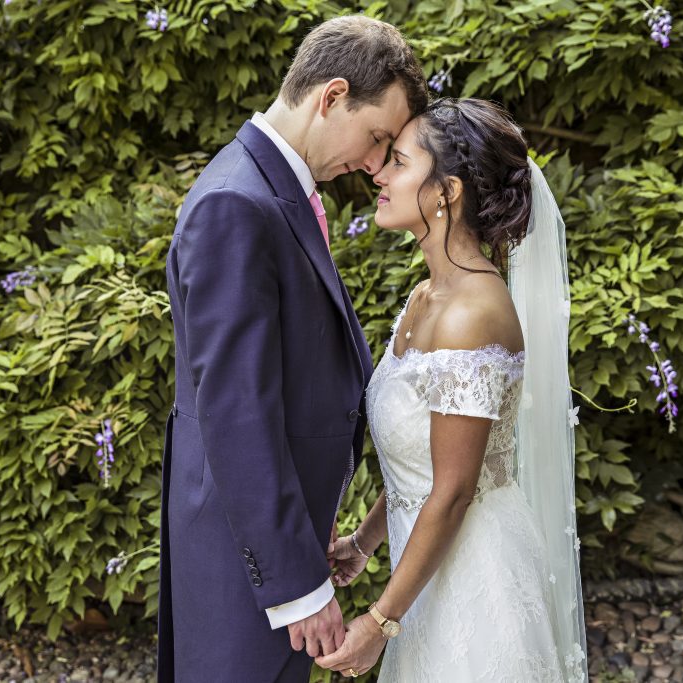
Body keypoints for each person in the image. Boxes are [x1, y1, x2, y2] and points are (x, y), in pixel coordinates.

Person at [157, 15, 428, 682]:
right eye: (375, 138)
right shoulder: (236, 205)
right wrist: (295, 587)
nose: (373, 163)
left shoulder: (268, 188)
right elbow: (237, 411)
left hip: (273, 547)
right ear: (331, 96)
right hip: (242, 569)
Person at [316, 98, 588, 682]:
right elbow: (429, 455)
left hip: (474, 580)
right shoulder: (426, 297)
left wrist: (380, 622)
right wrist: (365, 541)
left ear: (446, 192)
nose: (379, 174)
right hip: (426, 571)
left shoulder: (470, 315)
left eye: (399, 163)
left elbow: (456, 489)